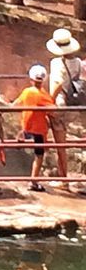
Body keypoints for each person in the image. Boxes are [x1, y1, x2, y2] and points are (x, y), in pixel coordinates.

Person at [47, 27, 82, 193]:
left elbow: (57, 84)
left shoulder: (56, 63)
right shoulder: (77, 63)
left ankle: (63, 179)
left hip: (59, 104)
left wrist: (49, 102)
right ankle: (63, 177)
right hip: (72, 104)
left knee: (59, 143)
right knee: (62, 143)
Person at [11, 65, 55, 192]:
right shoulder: (44, 95)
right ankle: (33, 181)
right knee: (39, 156)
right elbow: (53, 110)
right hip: (39, 130)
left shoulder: (27, 91)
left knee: (25, 140)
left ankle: (20, 138)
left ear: (31, 79)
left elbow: (16, 104)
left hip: (26, 126)